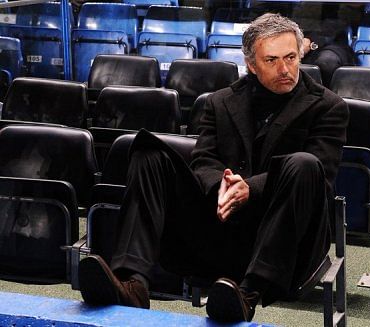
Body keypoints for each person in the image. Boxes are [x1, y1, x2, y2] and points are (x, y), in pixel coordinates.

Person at [78, 13, 349, 322]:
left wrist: (250, 188)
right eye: (272, 60)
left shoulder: (328, 107)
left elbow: (321, 175)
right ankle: (132, 284)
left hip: (288, 241)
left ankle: (248, 295)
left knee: (304, 163)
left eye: (291, 57)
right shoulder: (219, 102)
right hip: (221, 228)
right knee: (147, 152)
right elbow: (203, 160)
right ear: (251, 64)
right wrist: (221, 185)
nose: (285, 69)